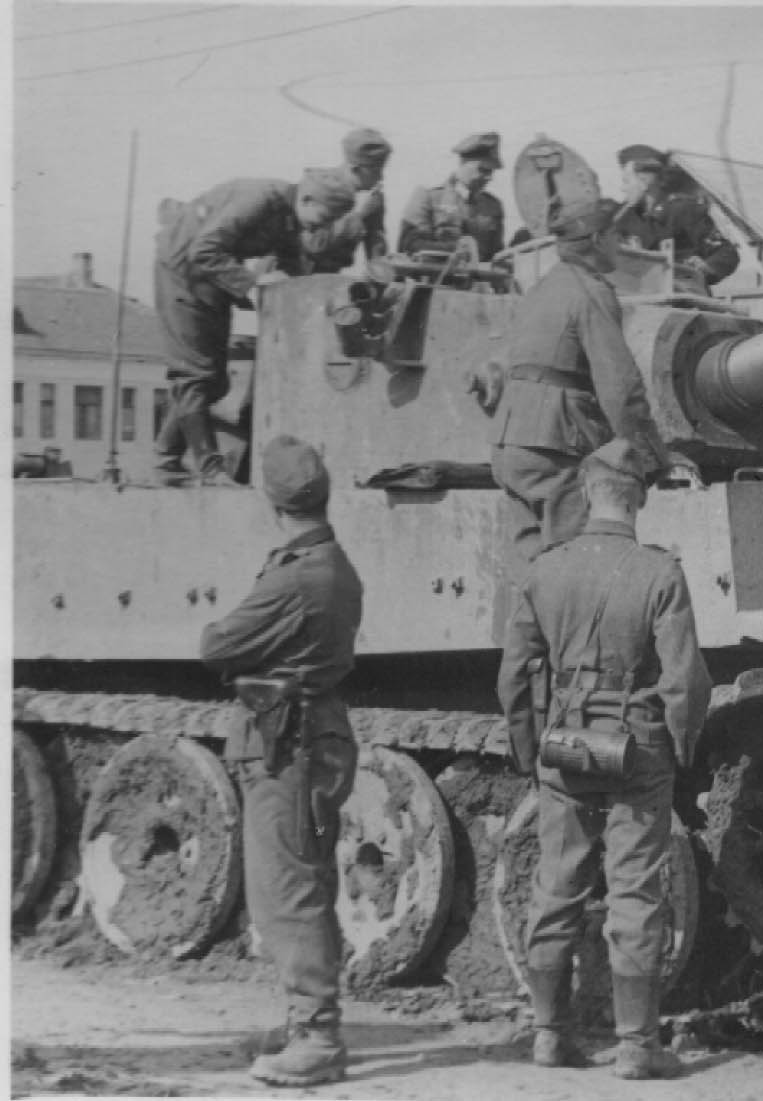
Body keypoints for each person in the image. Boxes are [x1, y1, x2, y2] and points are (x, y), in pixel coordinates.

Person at [495, 438, 712, 1080]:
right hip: (635, 750)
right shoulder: (659, 573)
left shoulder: (545, 569)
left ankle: (548, 1035)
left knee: (556, 884)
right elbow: (685, 681)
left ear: (587, 492)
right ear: (639, 499)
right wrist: (682, 746)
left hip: (565, 746)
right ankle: (636, 1046)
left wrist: (529, 749)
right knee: (635, 891)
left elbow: (514, 674)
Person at [200, 436, 364, 1087]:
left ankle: (317, 1035)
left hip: (287, 746)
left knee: (286, 892)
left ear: (272, 503)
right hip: (308, 736)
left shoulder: (297, 576)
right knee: (306, 881)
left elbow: (218, 644)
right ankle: (306, 1023)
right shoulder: (328, 563)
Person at [487, 195, 675, 569]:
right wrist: (649, 459)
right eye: (616, 235)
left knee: (533, 573)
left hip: (511, 444)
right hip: (555, 449)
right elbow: (621, 388)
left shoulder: (542, 289)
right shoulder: (590, 291)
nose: (621, 243)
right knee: (579, 566)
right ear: (597, 239)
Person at [153, 169, 356, 485]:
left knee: (214, 382)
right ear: (306, 199)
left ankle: (166, 459)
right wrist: (252, 284)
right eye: (325, 217)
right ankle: (210, 469)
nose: (323, 227)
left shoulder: (292, 218)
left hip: (210, 279)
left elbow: (292, 265)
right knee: (196, 375)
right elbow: (204, 250)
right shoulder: (261, 200)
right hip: (182, 272)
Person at [613, 144, 740, 288]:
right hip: (641, 296)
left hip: (683, 296)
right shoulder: (625, 219)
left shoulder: (683, 210)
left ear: (645, 181)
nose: (622, 188)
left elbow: (726, 252)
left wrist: (705, 267)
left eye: (626, 181)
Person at [398, 132, 506, 261]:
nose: (489, 177)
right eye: (483, 170)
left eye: (491, 171)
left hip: (479, 274)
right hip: (434, 273)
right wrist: (456, 249)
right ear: (464, 163)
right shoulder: (429, 196)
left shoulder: (493, 207)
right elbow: (410, 245)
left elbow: (497, 257)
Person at [303, 128, 393, 274]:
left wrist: (380, 273)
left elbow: (376, 249)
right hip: (292, 274)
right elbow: (313, 245)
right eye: (376, 171)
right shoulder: (320, 186)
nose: (381, 177)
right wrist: (360, 214)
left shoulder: (372, 198)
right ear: (355, 169)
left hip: (328, 277)